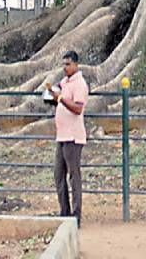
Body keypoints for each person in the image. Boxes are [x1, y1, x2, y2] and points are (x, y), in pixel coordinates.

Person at [50, 50, 89, 225]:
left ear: (76, 64)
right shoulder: (64, 82)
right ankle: (64, 212)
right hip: (62, 135)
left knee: (74, 176)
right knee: (59, 174)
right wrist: (52, 96)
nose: (65, 68)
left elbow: (78, 108)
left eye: (68, 64)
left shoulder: (80, 84)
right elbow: (58, 98)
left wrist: (61, 99)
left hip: (73, 136)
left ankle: (76, 214)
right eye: (63, 64)